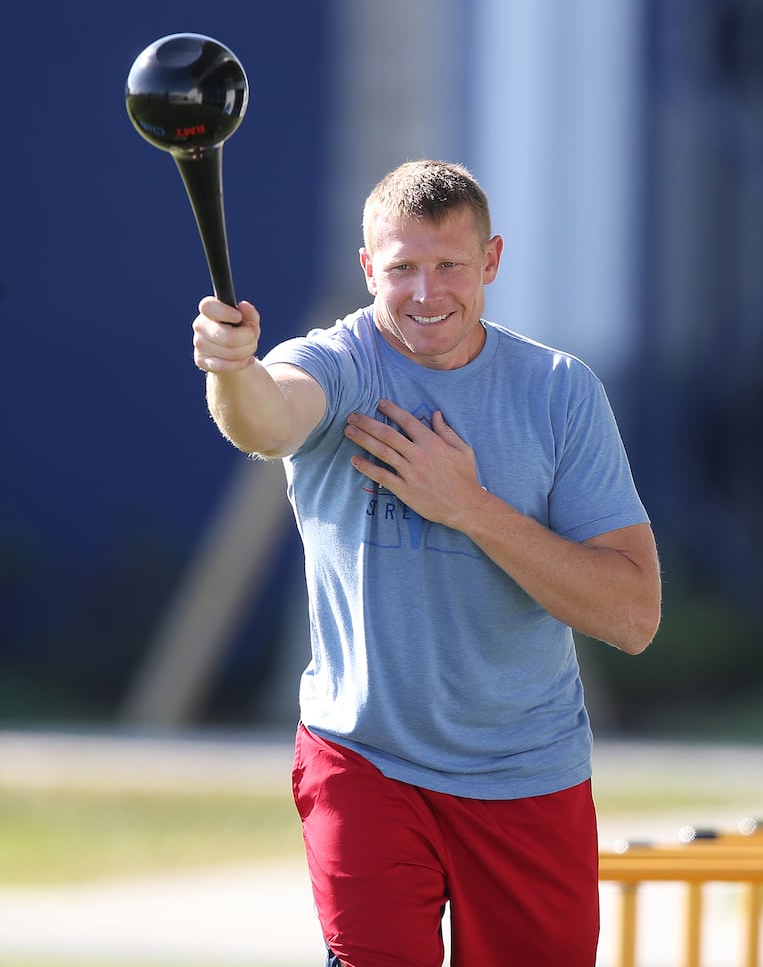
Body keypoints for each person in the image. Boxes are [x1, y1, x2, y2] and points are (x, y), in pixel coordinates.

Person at [192, 159, 661, 967]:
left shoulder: (558, 390)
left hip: (527, 770)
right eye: (401, 267)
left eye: (449, 265)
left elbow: (631, 617)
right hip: (363, 756)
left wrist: (469, 506)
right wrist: (234, 369)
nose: (424, 292)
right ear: (367, 266)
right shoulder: (339, 362)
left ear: (492, 261)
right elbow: (269, 422)